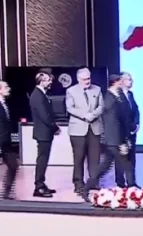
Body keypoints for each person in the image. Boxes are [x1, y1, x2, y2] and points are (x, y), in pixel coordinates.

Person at [84, 74, 135, 197]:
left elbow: (123, 118)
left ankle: (87, 188)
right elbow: (112, 123)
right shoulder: (109, 99)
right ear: (115, 82)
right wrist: (121, 142)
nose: (121, 83)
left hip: (116, 139)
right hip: (114, 140)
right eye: (120, 81)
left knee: (106, 166)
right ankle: (132, 188)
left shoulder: (118, 96)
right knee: (125, 164)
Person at [66, 68, 103, 194]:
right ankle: (78, 184)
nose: (87, 81)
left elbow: (101, 106)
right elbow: (70, 108)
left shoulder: (97, 89)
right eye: (84, 79)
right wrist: (84, 115)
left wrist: (92, 115)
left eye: (89, 78)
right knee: (79, 158)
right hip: (78, 130)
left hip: (94, 129)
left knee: (94, 158)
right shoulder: (71, 91)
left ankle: (93, 182)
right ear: (78, 79)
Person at [30, 70, 60, 198]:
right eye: (48, 80)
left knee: (43, 159)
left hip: (45, 133)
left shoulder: (41, 94)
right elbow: (45, 116)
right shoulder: (37, 95)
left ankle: (41, 184)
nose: (50, 82)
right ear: (42, 81)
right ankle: (39, 186)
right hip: (43, 133)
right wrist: (55, 127)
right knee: (42, 160)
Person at [116, 72, 140, 188]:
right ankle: (120, 182)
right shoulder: (116, 95)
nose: (131, 82)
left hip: (132, 132)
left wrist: (137, 124)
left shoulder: (130, 94)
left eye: (131, 79)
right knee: (121, 157)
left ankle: (131, 182)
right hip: (121, 132)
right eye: (128, 79)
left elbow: (135, 111)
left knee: (131, 158)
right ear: (121, 81)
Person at [0, 81, 18, 199]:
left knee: (13, 165)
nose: (9, 88)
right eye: (6, 87)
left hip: (6, 142)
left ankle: (6, 194)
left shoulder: (4, 104)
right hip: (1, 141)